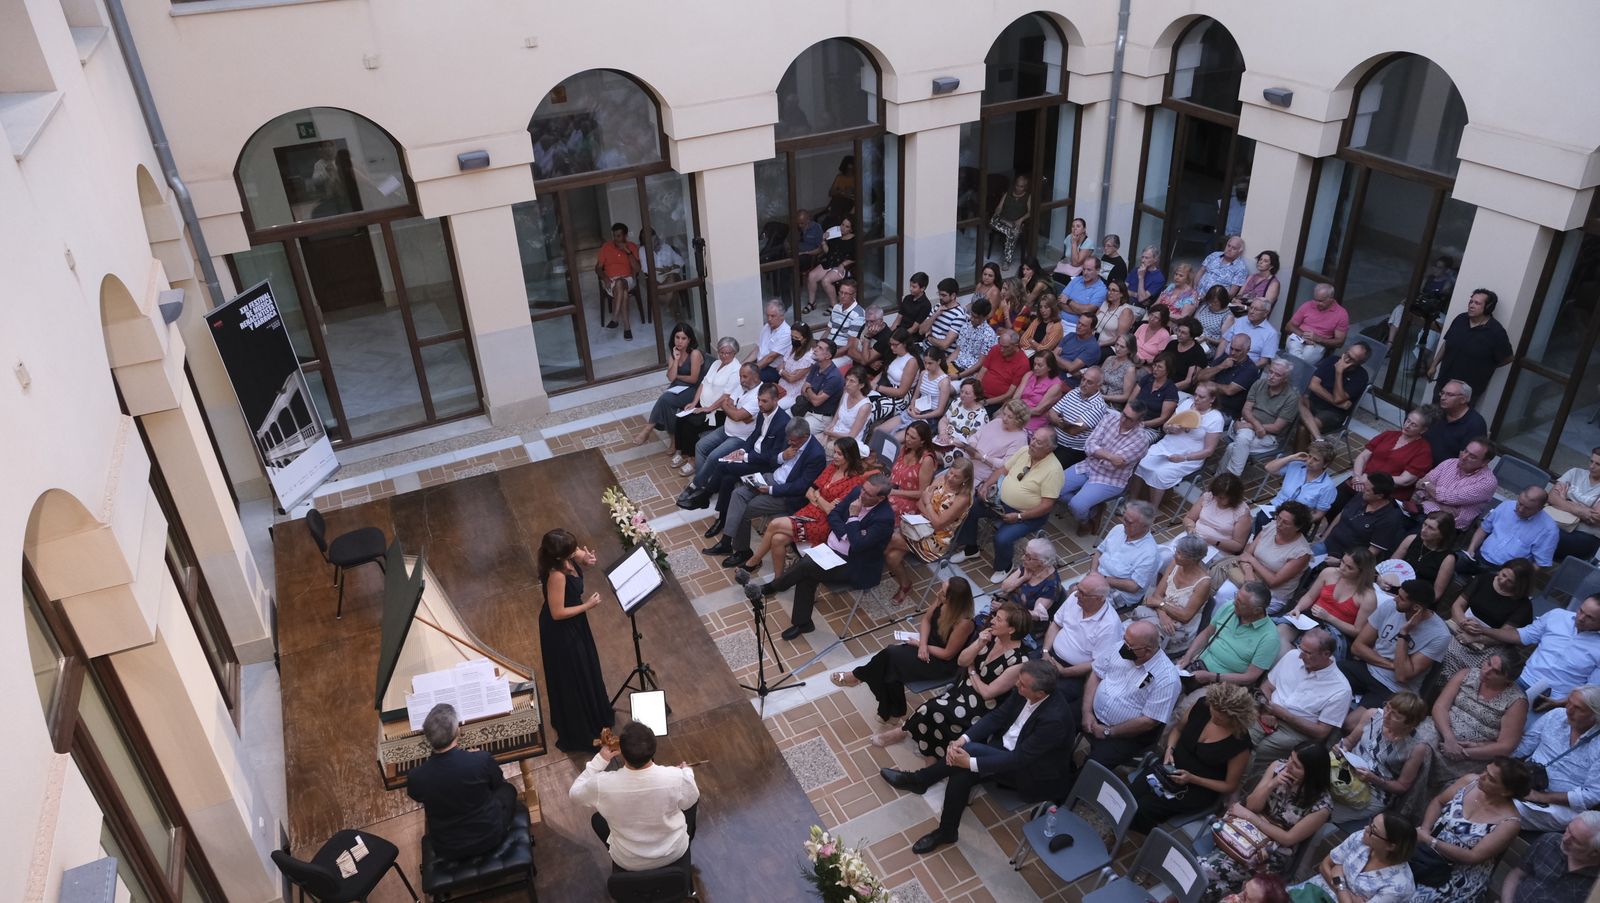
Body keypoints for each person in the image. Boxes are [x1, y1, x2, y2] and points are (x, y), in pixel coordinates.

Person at [877, 660, 1077, 855]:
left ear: (1040, 693)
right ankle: (946, 829)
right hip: (1005, 750)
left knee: (967, 760)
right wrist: (963, 739)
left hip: (1030, 773)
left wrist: (970, 761)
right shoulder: (1025, 689)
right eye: (1019, 680)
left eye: (1022, 685)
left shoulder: (1054, 720)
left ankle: (921, 782)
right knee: (963, 767)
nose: (1017, 685)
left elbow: (1019, 759)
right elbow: (998, 716)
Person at [742, 473, 895, 640]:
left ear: (880, 499)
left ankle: (775, 587)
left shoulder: (884, 519)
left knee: (808, 566)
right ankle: (802, 623)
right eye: (863, 489)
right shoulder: (857, 492)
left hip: (854, 564)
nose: (862, 495)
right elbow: (834, 514)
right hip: (830, 549)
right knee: (807, 571)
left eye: (868, 494)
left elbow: (858, 545)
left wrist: (852, 517)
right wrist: (846, 534)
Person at [875, 603, 1030, 753]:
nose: (993, 620)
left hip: (981, 707)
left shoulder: (1019, 662)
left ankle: (902, 734)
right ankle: (922, 744)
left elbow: (987, 693)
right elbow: (962, 661)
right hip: (961, 690)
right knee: (933, 708)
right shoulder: (991, 637)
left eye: (999, 619)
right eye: (996, 616)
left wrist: (972, 670)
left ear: (1011, 629)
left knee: (932, 708)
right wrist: (978, 644)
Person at [1197, 743, 1333, 903]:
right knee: (1214, 881)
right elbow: (1253, 805)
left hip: (1273, 852)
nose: (1288, 765)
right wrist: (1272, 784)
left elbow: (1288, 838)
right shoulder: (1278, 767)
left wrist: (1251, 817)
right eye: (1290, 758)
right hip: (1245, 833)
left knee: (1205, 870)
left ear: (1311, 773)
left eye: (1296, 765)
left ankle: (1178, 898)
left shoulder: (1322, 806)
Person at [834, 576, 976, 723]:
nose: (939, 592)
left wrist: (923, 646)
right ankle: (893, 709)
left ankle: (860, 679)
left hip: (940, 662)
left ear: (954, 600)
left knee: (890, 657)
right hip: (924, 646)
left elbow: (947, 654)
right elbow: (927, 620)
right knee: (889, 665)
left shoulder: (964, 623)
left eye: (944, 592)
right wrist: (922, 644)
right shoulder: (941, 600)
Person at [733, 439, 877, 583]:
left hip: (823, 524)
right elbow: (809, 491)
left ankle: (753, 562)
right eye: (835, 452)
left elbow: (831, 511)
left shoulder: (855, 482)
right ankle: (778, 581)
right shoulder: (832, 467)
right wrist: (820, 499)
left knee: (775, 524)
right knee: (777, 539)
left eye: (839, 453)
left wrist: (818, 496)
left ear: (849, 456)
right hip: (808, 512)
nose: (834, 456)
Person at [569, 722, 699, 873]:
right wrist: (686, 773)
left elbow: (574, 794)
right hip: (674, 852)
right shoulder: (678, 777)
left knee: (598, 820)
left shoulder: (601, 784)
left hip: (628, 862)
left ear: (622, 753)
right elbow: (691, 799)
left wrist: (600, 760)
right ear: (654, 749)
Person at [1130, 683, 1256, 833]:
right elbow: (1177, 729)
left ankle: (1138, 836)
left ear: (1235, 718)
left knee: (1146, 807)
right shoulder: (1202, 706)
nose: (1213, 718)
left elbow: (1229, 785)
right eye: (1212, 712)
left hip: (1196, 789)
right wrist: (1170, 749)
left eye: (1219, 718)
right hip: (1169, 767)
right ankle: (1125, 827)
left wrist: (1192, 779)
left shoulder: (1240, 744)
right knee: (1133, 792)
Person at [704, 418, 828, 567]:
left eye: (793, 440)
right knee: (737, 494)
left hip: (784, 494)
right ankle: (726, 542)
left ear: (805, 436)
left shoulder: (816, 455)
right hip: (769, 478)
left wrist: (770, 490)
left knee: (743, 510)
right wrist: (783, 456)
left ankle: (742, 551)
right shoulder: (791, 439)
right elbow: (772, 461)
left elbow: (801, 487)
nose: (789, 442)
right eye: (788, 439)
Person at [406, 703, 520, 860]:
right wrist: (474, 760)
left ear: (428, 738)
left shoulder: (415, 777)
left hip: (447, 846)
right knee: (508, 789)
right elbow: (497, 783)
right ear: (457, 730)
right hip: (489, 836)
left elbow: (418, 795)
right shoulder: (480, 760)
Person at [952, 428, 1064, 583]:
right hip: (1000, 502)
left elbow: (1046, 506)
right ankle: (971, 548)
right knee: (969, 508)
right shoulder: (1025, 451)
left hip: (1028, 514)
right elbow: (1003, 470)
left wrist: (1019, 516)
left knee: (1002, 538)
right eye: (1033, 438)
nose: (1032, 444)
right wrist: (985, 486)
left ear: (1049, 449)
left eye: (1038, 442)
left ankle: (1004, 567)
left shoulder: (1054, 470)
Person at [537, 529, 615, 752]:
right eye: (573, 551)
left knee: (586, 667)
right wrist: (587, 606)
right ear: (560, 557)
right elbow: (557, 613)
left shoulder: (564, 553)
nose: (577, 552)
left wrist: (586, 559)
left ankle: (595, 711)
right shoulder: (557, 576)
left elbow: (580, 554)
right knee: (574, 674)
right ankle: (581, 727)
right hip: (561, 631)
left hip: (576, 624)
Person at [1410, 759, 1528, 903]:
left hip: (1456, 874)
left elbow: (1473, 857)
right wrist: (1426, 830)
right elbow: (1439, 801)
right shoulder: (1469, 782)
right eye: (1485, 770)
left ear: (1506, 791)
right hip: (1425, 853)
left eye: (1490, 778)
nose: (1482, 776)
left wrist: (1431, 841)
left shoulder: (1509, 823)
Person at [1417, 652, 1530, 793]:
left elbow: (1505, 746)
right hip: (1441, 730)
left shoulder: (1516, 702)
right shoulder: (1466, 675)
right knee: (1422, 744)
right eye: (1488, 663)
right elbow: (1440, 707)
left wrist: (1465, 752)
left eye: (1496, 672)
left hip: (1474, 753)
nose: (1487, 671)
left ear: (1508, 679)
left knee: (1451, 780)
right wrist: (1449, 738)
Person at [679, 382, 786, 518]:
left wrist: (745, 457)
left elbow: (773, 456)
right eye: (758, 400)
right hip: (751, 454)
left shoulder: (783, 423)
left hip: (763, 464)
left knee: (722, 464)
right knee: (727, 479)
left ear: (775, 400)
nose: (760, 404)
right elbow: (753, 437)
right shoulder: (763, 412)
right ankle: (722, 519)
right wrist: (742, 451)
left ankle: (704, 496)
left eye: (764, 401)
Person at [1250, 631, 1352, 772]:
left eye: (1308, 653)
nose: (1300, 655)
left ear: (1326, 654)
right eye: (1300, 648)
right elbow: (1267, 686)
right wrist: (1266, 710)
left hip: (1295, 731)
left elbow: (1321, 732)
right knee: (1238, 734)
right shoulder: (1293, 656)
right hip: (1267, 711)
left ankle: (1237, 786)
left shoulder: (1341, 689)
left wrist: (1284, 715)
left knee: (1253, 749)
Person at [1343, 580, 1449, 713]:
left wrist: (1404, 634)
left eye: (1401, 598)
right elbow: (1357, 647)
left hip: (1394, 689)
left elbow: (1402, 676)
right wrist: (1391, 665)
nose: (1395, 599)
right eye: (1398, 594)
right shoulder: (1389, 606)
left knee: (1351, 724)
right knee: (1324, 674)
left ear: (1416, 607)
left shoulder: (1440, 635)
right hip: (1368, 670)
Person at [1468, 596, 1600, 702]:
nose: (1581, 618)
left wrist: (1562, 703)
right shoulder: (1558, 616)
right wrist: (1484, 630)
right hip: (1522, 679)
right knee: (1478, 700)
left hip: (1554, 698)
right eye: (1581, 610)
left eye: (1589, 617)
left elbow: (1591, 691)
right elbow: (1521, 636)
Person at [1330, 692, 1431, 827]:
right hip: (1346, 769)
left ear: (1410, 723)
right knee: (1311, 789)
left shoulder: (1416, 747)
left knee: (1325, 811)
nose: (1386, 715)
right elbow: (1349, 741)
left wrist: (1374, 779)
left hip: (1374, 791)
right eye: (1388, 707)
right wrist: (1340, 747)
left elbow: (1402, 786)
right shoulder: (1373, 715)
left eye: (1396, 715)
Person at [883, 458, 974, 600]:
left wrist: (928, 504)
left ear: (966, 479)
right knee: (891, 557)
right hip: (921, 525)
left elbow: (938, 525)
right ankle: (905, 584)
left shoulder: (962, 498)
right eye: (950, 472)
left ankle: (873, 569)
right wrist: (931, 513)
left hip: (936, 540)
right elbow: (919, 503)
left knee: (890, 539)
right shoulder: (940, 480)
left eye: (956, 476)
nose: (950, 477)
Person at [1511, 686, 1600, 831]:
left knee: (1508, 808)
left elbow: (1591, 796)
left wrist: (1541, 797)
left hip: (1561, 806)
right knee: (1478, 783)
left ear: (1595, 715)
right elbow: (1525, 746)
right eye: (1569, 703)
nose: (1568, 710)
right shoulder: (1556, 715)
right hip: (1527, 780)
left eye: (1578, 708)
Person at [1057, 400, 1151, 531]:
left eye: (1129, 419)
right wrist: (1110, 456)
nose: (1123, 420)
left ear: (1139, 421)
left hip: (1110, 478)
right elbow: (1088, 445)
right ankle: (1093, 507)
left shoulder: (1141, 441)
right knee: (1052, 488)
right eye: (1123, 414)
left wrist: (1098, 453)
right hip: (1088, 466)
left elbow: (1112, 466)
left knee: (1077, 505)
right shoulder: (1110, 418)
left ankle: (1087, 521)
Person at [1132, 382, 1225, 511]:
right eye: (1195, 395)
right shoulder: (1187, 404)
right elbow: (1165, 426)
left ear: (1212, 399)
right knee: (1141, 460)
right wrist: (1171, 428)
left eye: (1201, 397)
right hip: (1166, 446)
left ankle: (1152, 510)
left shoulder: (1215, 418)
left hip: (1189, 456)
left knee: (1160, 473)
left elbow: (1209, 451)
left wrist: (1184, 458)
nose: (1196, 399)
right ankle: (1131, 500)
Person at [1177, 581, 1281, 691]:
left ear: (1257, 610)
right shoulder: (1230, 608)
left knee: (1185, 706)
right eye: (1237, 596)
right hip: (1198, 665)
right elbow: (1207, 633)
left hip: (1222, 685)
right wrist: (1188, 656)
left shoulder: (1270, 638)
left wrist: (1212, 677)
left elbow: (1250, 677)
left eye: (1240, 602)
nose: (1235, 602)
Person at [1290, 812, 1416, 903]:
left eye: (1373, 830)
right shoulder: (1361, 837)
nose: (1366, 829)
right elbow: (1324, 866)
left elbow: (1335, 869)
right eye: (1370, 824)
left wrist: (1338, 875)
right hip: (1316, 889)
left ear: (1391, 846)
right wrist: (1344, 891)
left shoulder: (1400, 886)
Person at [1441, 559, 1535, 678]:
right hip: (1462, 625)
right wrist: (1462, 622)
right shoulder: (1484, 579)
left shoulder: (1523, 605)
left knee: (1452, 655)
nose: (1503, 580)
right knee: (1437, 639)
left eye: (1510, 581)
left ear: (1519, 585)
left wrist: (1477, 637)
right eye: (1503, 575)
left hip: (1488, 642)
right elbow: (1458, 605)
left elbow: (1504, 636)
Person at [1280, 550, 1379, 659]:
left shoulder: (1367, 597)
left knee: (1312, 647)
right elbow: (1310, 596)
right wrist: (1298, 608)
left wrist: (1329, 617)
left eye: (1349, 567)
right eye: (1342, 562)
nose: (1342, 568)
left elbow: (1357, 631)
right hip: (1311, 618)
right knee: (1280, 633)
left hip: (1336, 631)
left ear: (1362, 572)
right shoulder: (1329, 573)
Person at [1043, 573, 1123, 702]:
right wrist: (1045, 651)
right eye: (1078, 588)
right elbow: (1056, 624)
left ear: (1099, 599)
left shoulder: (1110, 626)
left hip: (1073, 673)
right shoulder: (1074, 600)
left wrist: (1064, 672)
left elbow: (1097, 663)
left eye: (1082, 593)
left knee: (1047, 697)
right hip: (1049, 655)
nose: (1075, 594)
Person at [1336, 408, 1435, 512]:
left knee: (1352, 512)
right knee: (1335, 500)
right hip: (1361, 481)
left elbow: (1405, 480)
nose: (1407, 425)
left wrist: (1370, 480)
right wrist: (1357, 476)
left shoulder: (1423, 451)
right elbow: (1363, 456)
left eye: (1414, 424)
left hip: (1386, 493)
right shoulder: (1389, 434)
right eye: (1408, 420)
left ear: (1423, 430)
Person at [1428, 288, 1514, 403]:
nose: (1471, 305)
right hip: (1444, 383)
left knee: (1456, 420)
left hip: (1466, 393)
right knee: (1434, 416)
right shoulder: (1460, 319)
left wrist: (1486, 366)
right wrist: (1434, 365)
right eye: (1471, 302)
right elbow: (1447, 343)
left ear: (1488, 307)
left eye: (1477, 303)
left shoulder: (1496, 332)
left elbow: (1508, 358)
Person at [1132, 534, 1213, 654]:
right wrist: (1163, 615)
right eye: (1176, 551)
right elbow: (1156, 596)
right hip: (1162, 616)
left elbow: (1185, 617)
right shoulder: (1175, 563)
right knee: (1134, 634)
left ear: (1193, 559)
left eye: (1180, 553)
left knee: (1140, 639)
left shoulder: (1204, 583)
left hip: (1179, 627)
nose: (1175, 555)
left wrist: (1159, 604)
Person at [682, 362, 761, 485]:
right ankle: (704, 480)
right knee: (700, 446)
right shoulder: (741, 387)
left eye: (745, 377)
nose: (741, 380)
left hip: (740, 438)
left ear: (755, 377)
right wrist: (737, 412)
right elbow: (726, 402)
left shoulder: (759, 395)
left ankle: (698, 485)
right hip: (726, 429)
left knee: (713, 456)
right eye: (740, 376)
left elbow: (735, 415)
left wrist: (734, 411)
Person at [1224, 504, 1314, 611]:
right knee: (1222, 593)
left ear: (1298, 527)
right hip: (1249, 577)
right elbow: (1246, 555)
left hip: (1269, 594)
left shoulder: (1301, 553)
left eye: (1285, 523)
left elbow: (1273, 582)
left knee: (1232, 604)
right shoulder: (1271, 527)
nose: (1279, 524)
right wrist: (1249, 574)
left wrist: (1252, 561)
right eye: (1278, 518)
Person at [668, 337, 741, 467]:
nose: (724, 356)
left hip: (716, 411)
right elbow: (703, 384)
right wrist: (694, 402)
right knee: (680, 418)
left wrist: (709, 408)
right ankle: (682, 453)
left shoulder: (736, 370)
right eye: (721, 352)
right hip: (702, 404)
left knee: (691, 423)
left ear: (734, 353)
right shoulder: (716, 364)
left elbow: (726, 396)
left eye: (727, 353)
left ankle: (693, 459)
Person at [1499, 811, 1600, 903]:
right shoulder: (1550, 841)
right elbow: (1516, 874)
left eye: (1575, 840)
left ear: (1594, 852)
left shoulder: (1596, 884)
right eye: (1568, 830)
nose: (1565, 839)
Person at [1222, 358, 1300, 475]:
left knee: (1234, 446)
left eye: (1277, 375)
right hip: (1250, 427)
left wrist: (1249, 425)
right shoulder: (1259, 384)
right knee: (1244, 437)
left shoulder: (1291, 398)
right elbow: (1246, 410)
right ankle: (1230, 479)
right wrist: (1256, 425)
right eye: (1271, 372)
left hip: (1268, 436)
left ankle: (1223, 477)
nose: (1271, 376)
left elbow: (1277, 427)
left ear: (1285, 379)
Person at [637, 322, 706, 447]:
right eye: (677, 337)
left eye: (683, 338)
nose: (680, 341)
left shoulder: (695, 354)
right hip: (677, 388)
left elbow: (693, 379)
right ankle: (674, 439)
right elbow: (670, 377)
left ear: (689, 340)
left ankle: (648, 428)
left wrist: (678, 376)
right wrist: (676, 359)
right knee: (667, 404)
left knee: (665, 399)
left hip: (693, 389)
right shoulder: (673, 354)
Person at [1461, 488, 1560, 574]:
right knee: (1452, 561)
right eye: (1520, 503)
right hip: (1480, 556)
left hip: (1505, 572)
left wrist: (1516, 578)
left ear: (1540, 508)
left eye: (1527, 508)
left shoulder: (1549, 530)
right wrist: (1471, 549)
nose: (1520, 509)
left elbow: (1540, 564)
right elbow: (1484, 528)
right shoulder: (1506, 505)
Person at [1091, 500, 1163, 611]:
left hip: (1119, 593)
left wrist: (1102, 579)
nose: (1123, 522)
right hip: (1098, 577)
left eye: (1128, 521)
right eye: (1123, 518)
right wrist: (1093, 572)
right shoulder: (1118, 529)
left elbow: (1133, 587)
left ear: (1144, 526)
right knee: (1074, 593)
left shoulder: (1149, 553)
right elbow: (1099, 552)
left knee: (1086, 604)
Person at [1411, 437, 1499, 526]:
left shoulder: (1487, 482)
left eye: (1472, 457)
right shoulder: (1449, 463)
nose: (1464, 457)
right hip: (1421, 509)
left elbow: (1448, 497)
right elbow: (1420, 485)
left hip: (1445, 526)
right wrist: (1428, 489)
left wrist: (1427, 487)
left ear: (1485, 462)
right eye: (1465, 451)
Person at [1321, 472, 1409, 560]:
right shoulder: (1361, 497)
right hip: (1327, 545)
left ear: (1379, 496)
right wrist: (1324, 538)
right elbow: (1341, 515)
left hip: (1346, 559)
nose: (1362, 490)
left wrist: (1341, 562)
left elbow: (1371, 552)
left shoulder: (1389, 519)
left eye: (1367, 490)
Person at [1297, 342, 1370, 444]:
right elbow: (1313, 385)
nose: (1346, 359)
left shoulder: (1361, 376)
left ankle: (1305, 455)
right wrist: (1337, 403)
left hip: (1333, 413)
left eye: (1352, 359)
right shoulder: (1332, 360)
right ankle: (1319, 440)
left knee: (1304, 427)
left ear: (1359, 363)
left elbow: (1339, 398)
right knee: (1297, 399)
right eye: (1347, 354)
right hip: (1314, 402)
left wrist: (1339, 371)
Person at [1258, 441, 1339, 529]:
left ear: (1325, 464)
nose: (1309, 461)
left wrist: (1299, 522)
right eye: (1309, 456)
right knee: (1261, 519)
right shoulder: (1296, 466)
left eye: (1315, 459)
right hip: (1276, 507)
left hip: (1297, 519)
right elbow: (1269, 468)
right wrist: (1291, 457)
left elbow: (1319, 513)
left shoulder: (1327, 486)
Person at [994, 537, 1063, 640]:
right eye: (1025, 553)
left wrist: (1005, 610)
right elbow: (1005, 588)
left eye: (1028, 556)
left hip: (1022, 625)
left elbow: (1036, 615)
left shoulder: (1051, 586)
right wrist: (1023, 578)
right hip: (1004, 610)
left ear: (1042, 562)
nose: (1022, 558)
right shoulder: (1029, 566)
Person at [1390, 511, 1459, 605]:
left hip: (1417, 601)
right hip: (1394, 589)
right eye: (1424, 524)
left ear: (1442, 534)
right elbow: (1390, 566)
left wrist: (1410, 602)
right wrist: (1383, 579)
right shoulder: (1411, 539)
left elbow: (1436, 594)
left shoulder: (1448, 559)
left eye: (1431, 528)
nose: (1424, 530)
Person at [955, 399, 1029, 486]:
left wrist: (983, 457)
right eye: (1004, 414)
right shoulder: (996, 422)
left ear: (1019, 420)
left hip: (979, 477)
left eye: (1010, 417)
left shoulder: (1020, 439)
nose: (1004, 419)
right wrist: (972, 447)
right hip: (964, 465)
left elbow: (1006, 465)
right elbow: (975, 436)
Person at [1047, 365, 1109, 469]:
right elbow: (1051, 413)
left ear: (1098, 386)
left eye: (1089, 382)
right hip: (1053, 439)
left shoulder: (1099, 406)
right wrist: (1062, 422)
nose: (1084, 384)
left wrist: (1057, 421)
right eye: (1083, 379)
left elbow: (1073, 430)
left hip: (1071, 450)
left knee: (1048, 469)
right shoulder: (1074, 392)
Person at [1189, 334, 1261, 419]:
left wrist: (1207, 384)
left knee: (1194, 421)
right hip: (1203, 402)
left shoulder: (1250, 369)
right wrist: (1221, 367)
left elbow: (1229, 390)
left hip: (1225, 411)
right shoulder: (1225, 358)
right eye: (1231, 348)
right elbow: (1200, 377)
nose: (1233, 353)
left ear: (1247, 350)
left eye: (1238, 350)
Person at [1181, 472, 1252, 555]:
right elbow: (1189, 518)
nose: (1216, 499)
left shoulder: (1241, 512)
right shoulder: (1209, 497)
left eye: (1222, 498)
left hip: (1216, 549)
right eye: (1215, 495)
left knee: (1187, 557)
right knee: (1171, 554)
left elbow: (1238, 545)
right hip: (1194, 539)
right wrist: (1190, 528)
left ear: (1233, 497)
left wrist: (1214, 541)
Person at [1551, 447, 1600, 561]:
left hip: (1584, 534)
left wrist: (1563, 501)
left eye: (1598, 464)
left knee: (1548, 535)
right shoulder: (1575, 473)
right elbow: (1552, 497)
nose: (1592, 466)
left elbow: (1594, 518)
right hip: (1558, 520)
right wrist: (1581, 510)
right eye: (1591, 461)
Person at [1423, 380, 1489, 464]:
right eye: (1442, 393)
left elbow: (1467, 460)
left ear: (1463, 400)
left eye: (1449, 394)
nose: (1443, 398)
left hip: (1446, 472)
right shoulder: (1436, 412)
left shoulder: (1475, 424)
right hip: (1420, 462)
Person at [595, 222, 642, 339]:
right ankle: (627, 327)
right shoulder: (606, 247)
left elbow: (637, 269)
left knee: (620, 283)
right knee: (623, 293)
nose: (616, 239)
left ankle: (615, 318)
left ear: (625, 236)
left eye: (619, 236)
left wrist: (628, 252)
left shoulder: (632, 247)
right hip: (610, 280)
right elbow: (598, 268)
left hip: (628, 279)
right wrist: (605, 278)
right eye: (614, 236)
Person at [1284, 283, 1349, 364]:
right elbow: (1288, 326)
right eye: (1315, 299)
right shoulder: (1308, 305)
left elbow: (1340, 342)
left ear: (1331, 299)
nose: (1316, 303)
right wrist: (1303, 335)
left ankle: (1287, 371)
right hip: (1299, 335)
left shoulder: (1341, 314)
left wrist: (1318, 339)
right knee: (1294, 348)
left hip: (1319, 343)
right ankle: (1293, 371)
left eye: (1321, 301)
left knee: (1306, 357)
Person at [883, 421, 936, 519]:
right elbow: (894, 475)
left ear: (922, 441)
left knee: (882, 511)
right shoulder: (905, 449)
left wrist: (895, 492)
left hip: (910, 501)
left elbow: (922, 492)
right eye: (907, 434)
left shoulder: (926, 460)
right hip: (893, 492)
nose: (907, 439)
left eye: (913, 438)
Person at [804, 216, 856, 314]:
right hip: (830, 262)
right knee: (811, 276)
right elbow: (829, 252)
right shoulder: (836, 235)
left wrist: (843, 264)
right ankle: (811, 303)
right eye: (842, 225)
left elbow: (854, 258)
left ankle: (834, 305)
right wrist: (824, 241)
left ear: (851, 229)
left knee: (826, 280)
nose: (843, 228)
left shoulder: (854, 241)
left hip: (842, 266)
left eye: (847, 226)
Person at [867, 329, 921, 423]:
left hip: (899, 397)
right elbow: (884, 372)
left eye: (895, 345)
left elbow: (901, 392)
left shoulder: (911, 362)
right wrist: (873, 383)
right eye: (891, 344)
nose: (892, 347)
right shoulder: (894, 354)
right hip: (884, 385)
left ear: (904, 344)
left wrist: (877, 387)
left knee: (869, 410)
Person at [795, 338, 844, 432]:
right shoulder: (816, 366)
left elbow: (816, 402)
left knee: (797, 431)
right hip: (806, 408)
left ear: (828, 356)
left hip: (821, 418)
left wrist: (808, 388)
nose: (815, 349)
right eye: (817, 346)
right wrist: (812, 394)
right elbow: (802, 391)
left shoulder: (834, 377)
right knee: (782, 419)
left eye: (820, 348)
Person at [935, 379, 988, 466]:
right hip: (944, 439)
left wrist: (954, 442)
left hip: (961, 448)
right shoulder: (957, 401)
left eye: (967, 393)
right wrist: (943, 434)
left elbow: (973, 445)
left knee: (932, 455)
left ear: (975, 396)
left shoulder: (981, 415)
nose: (962, 395)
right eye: (962, 391)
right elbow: (944, 420)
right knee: (924, 448)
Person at [975, 329, 1031, 408]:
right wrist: (975, 390)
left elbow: (1009, 394)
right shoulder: (995, 348)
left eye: (1006, 347)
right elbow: (982, 371)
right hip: (979, 393)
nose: (1001, 349)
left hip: (995, 402)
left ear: (1015, 346)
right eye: (1000, 345)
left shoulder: (1023, 363)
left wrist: (985, 402)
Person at [821, 368, 873, 450]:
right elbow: (835, 419)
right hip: (833, 433)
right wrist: (827, 432)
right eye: (847, 379)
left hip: (846, 442)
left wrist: (829, 433)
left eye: (852, 381)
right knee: (814, 441)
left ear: (861, 385)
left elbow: (852, 435)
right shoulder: (846, 393)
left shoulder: (864, 406)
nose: (847, 384)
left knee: (824, 448)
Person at [1220, 297, 1282, 366]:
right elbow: (1224, 342)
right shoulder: (1240, 321)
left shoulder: (1271, 333)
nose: (1251, 311)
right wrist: (1215, 362)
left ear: (1265, 313)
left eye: (1256, 310)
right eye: (1251, 308)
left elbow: (1264, 361)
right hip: (1225, 360)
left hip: (1246, 367)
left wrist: (1246, 370)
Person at [1014, 349, 1066, 430]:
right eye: (1034, 364)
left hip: (1032, 421)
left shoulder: (1056, 385)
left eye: (1040, 365)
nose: (1035, 367)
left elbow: (1038, 410)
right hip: (1016, 413)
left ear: (1049, 367)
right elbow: (1016, 396)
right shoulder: (1029, 374)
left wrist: (1017, 412)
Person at [1135, 351, 1180, 435]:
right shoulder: (1147, 379)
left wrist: (1142, 424)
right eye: (1154, 365)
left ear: (1168, 370)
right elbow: (1131, 400)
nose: (1155, 369)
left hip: (1151, 429)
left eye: (1159, 367)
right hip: (1134, 419)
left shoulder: (1170, 390)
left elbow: (1162, 419)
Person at [952, 298, 999, 377]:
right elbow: (957, 351)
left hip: (969, 372)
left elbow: (980, 364)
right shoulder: (966, 326)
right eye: (971, 315)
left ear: (985, 317)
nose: (971, 319)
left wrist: (958, 376)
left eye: (975, 317)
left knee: (945, 385)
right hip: (955, 365)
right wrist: (944, 366)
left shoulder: (989, 335)